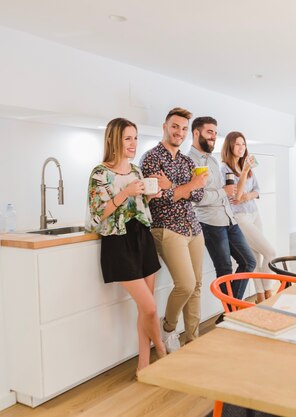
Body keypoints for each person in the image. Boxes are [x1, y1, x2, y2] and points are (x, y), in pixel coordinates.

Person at [86, 117, 165, 372]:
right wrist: (126, 193)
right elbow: (99, 214)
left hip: (142, 236)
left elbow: (140, 206)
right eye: (127, 138)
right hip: (118, 242)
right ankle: (162, 351)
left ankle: (143, 362)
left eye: (135, 138)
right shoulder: (100, 173)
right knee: (150, 308)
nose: (133, 144)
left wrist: (151, 196)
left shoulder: (136, 171)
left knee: (146, 308)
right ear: (114, 140)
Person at [140, 107, 208, 352]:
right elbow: (157, 198)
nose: (179, 132)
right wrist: (187, 186)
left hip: (193, 227)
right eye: (175, 126)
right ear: (165, 127)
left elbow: (198, 194)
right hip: (167, 228)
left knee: (197, 286)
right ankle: (168, 328)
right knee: (186, 285)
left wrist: (176, 188)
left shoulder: (188, 160)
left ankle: (193, 340)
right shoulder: (151, 158)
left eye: (183, 129)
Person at [188, 117, 256, 304]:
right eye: (209, 132)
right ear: (196, 133)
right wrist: (223, 192)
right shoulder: (190, 161)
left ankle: (232, 309)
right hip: (211, 223)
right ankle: (232, 312)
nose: (213, 136)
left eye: (215, 133)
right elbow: (197, 198)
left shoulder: (211, 159)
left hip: (228, 219)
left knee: (249, 261)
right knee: (224, 269)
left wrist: (228, 192)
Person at [221, 131, 276, 303]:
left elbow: (257, 191)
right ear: (230, 146)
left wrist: (247, 195)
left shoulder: (247, 166)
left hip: (254, 213)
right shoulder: (225, 168)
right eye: (237, 144)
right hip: (241, 217)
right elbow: (235, 197)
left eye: (243, 144)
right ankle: (267, 291)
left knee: (258, 256)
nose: (241, 147)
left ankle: (260, 295)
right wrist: (244, 174)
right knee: (270, 252)